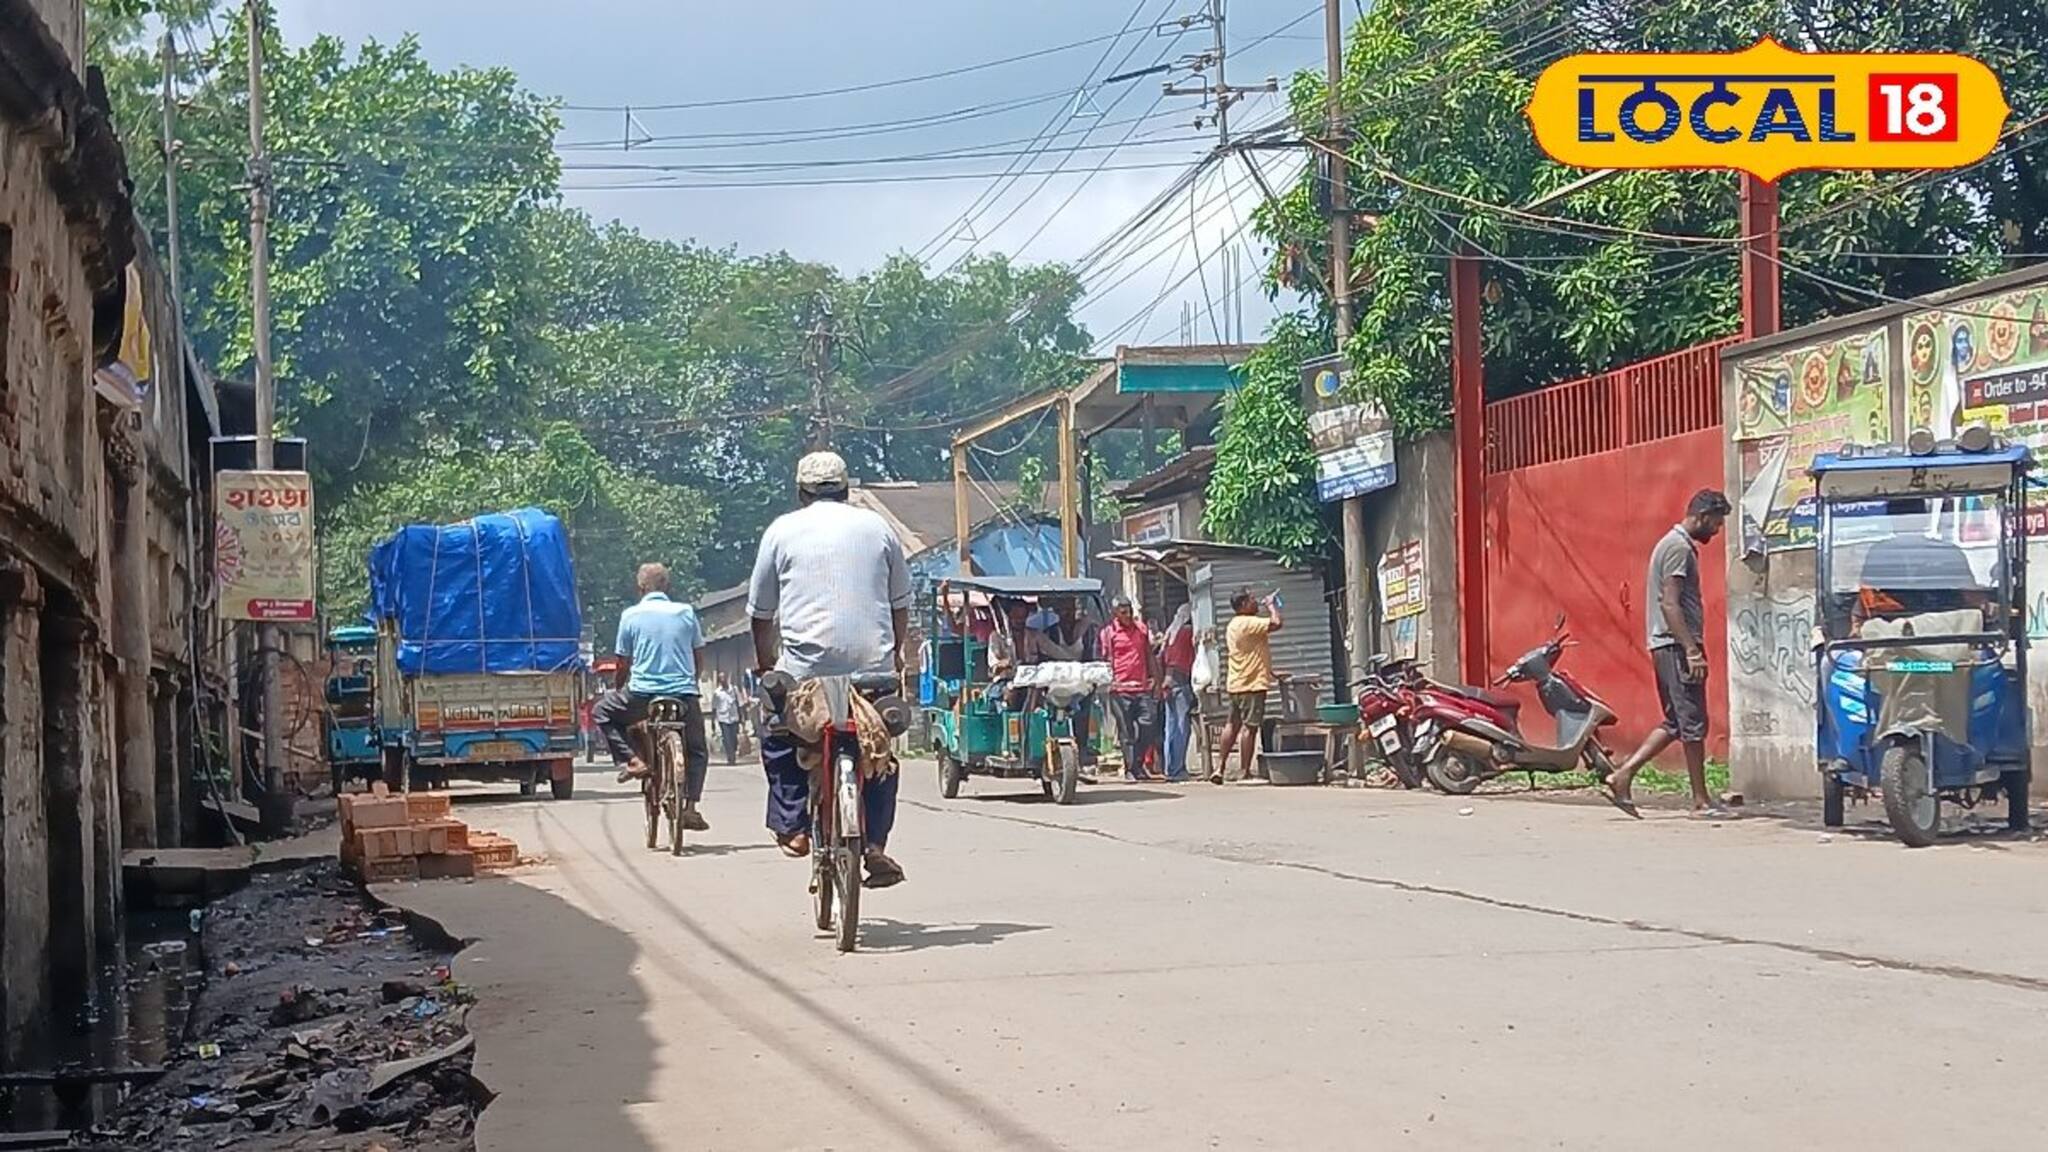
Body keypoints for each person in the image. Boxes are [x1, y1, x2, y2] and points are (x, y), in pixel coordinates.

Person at [748, 450, 912, 888]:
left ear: (801, 492)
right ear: (847, 489)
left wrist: (767, 665)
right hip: (871, 671)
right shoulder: (878, 528)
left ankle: (792, 826)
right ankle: (875, 845)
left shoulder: (781, 531)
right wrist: (893, 656)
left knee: (776, 734)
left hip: (804, 673)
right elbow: (900, 605)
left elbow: (761, 614)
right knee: (881, 755)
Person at [1605, 489, 1733, 819]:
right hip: (1676, 645)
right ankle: (1701, 801)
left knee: (1677, 721)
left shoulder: (1673, 545)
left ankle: (1624, 774)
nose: (1717, 531)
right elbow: (1669, 602)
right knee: (1692, 723)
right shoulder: (1677, 548)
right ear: (1702, 516)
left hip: (1668, 645)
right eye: (1716, 523)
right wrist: (1691, 650)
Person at [591, 563, 711, 830]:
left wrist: (619, 687)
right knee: (697, 749)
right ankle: (691, 807)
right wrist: (690, 682)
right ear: (667, 587)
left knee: (601, 711)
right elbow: (698, 656)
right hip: (683, 696)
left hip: (642, 695)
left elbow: (623, 663)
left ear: (640, 588)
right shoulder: (686, 612)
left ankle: (634, 760)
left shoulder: (631, 615)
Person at [1213, 589, 1282, 785]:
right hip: (1251, 684)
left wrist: (1270, 670)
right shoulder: (1248, 622)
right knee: (1249, 728)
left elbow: (1253, 651)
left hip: (1236, 683)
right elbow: (1277, 623)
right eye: (1252, 599)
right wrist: (1271, 606)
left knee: (1231, 725)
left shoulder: (1233, 625)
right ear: (1243, 604)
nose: (1255, 602)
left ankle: (1220, 767)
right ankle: (1244, 772)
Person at [1099, 595, 1161, 781]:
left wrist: (1156, 680)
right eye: (1123, 611)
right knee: (1126, 732)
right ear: (1115, 613)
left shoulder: (1141, 629)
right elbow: (1103, 660)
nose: (1128, 614)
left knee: (1149, 724)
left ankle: (1137, 763)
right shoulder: (1108, 633)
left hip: (1141, 688)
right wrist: (1108, 683)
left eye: (1130, 610)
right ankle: (1131, 768)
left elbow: (1149, 655)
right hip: (1119, 689)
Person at [1158, 603, 1197, 782]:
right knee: (1182, 727)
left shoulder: (1170, 633)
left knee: (1170, 727)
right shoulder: (1187, 633)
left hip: (1168, 682)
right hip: (1180, 682)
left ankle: (1169, 768)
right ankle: (1177, 768)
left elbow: (1162, 658)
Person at [712, 674, 743, 765]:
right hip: (723, 718)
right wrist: (713, 721)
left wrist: (742, 717)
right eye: (720, 679)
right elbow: (714, 707)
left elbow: (740, 703)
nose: (723, 680)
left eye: (723, 678)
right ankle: (731, 758)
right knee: (727, 738)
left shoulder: (734, 689)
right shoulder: (717, 693)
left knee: (733, 738)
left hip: (734, 717)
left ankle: (732, 753)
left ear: (726, 679)